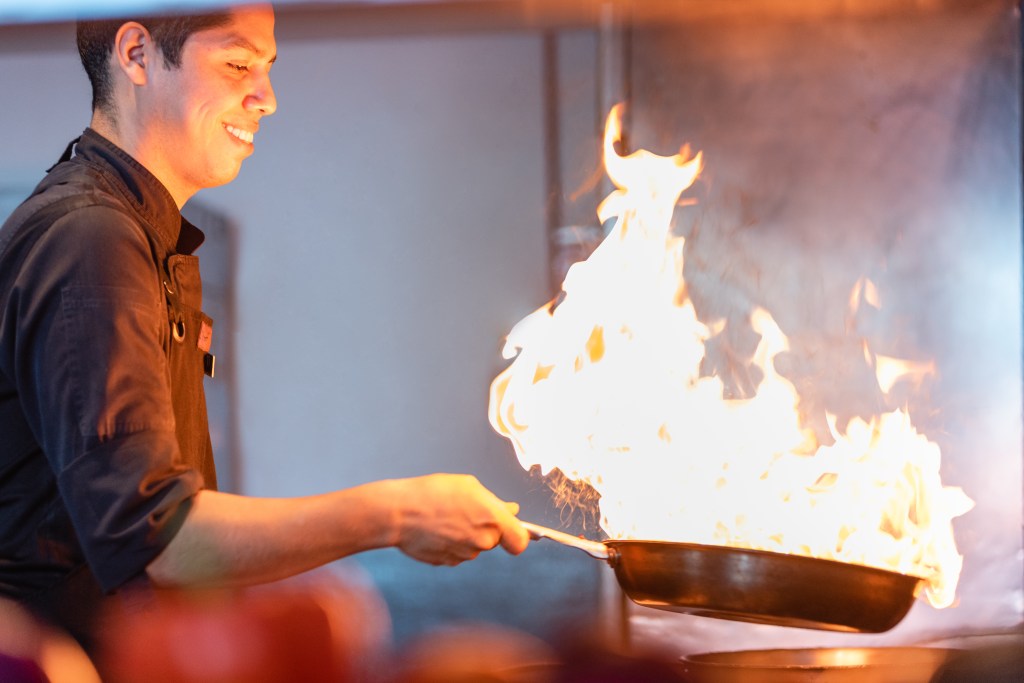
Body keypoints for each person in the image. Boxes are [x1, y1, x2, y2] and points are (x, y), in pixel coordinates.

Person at [0, 3, 528, 655]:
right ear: (136, 55)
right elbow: (158, 536)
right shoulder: (91, 237)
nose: (266, 98)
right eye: (238, 63)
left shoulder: (138, 235)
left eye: (267, 68)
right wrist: (396, 511)